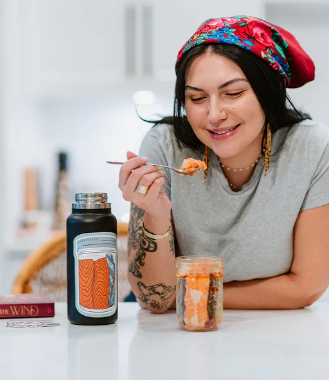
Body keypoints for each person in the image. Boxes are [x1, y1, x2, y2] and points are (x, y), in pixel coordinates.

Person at [117, 16, 329, 312]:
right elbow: (155, 299)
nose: (214, 114)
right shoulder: (165, 146)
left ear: (269, 92)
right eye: (197, 98)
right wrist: (156, 216)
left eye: (233, 94)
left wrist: (195, 294)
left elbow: (306, 287)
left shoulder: (311, 148)